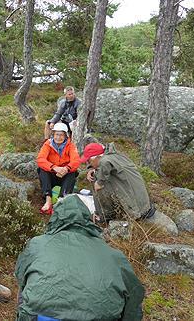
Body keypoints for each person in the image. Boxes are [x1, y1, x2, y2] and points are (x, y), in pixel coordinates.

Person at [15, 195, 145, 321]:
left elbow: (20, 274)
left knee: (25, 287)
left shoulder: (38, 243)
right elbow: (134, 295)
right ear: (89, 219)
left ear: (56, 217)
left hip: (42, 317)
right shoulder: (115, 256)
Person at [80, 142, 155, 222]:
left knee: (98, 183)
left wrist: (99, 182)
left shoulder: (105, 161)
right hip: (144, 204)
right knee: (97, 176)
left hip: (137, 209)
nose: (88, 163)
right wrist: (93, 169)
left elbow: (105, 163)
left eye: (88, 161)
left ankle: (105, 216)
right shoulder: (114, 156)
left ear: (95, 158)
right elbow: (104, 164)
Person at [37, 122, 80, 214]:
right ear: (53, 134)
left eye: (61, 135)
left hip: (64, 174)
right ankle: (48, 201)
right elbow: (40, 159)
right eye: (56, 134)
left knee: (73, 172)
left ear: (65, 136)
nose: (58, 137)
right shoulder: (47, 144)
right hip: (52, 174)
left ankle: (61, 201)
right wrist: (54, 167)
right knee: (42, 170)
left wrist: (66, 168)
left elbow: (76, 161)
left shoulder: (71, 146)